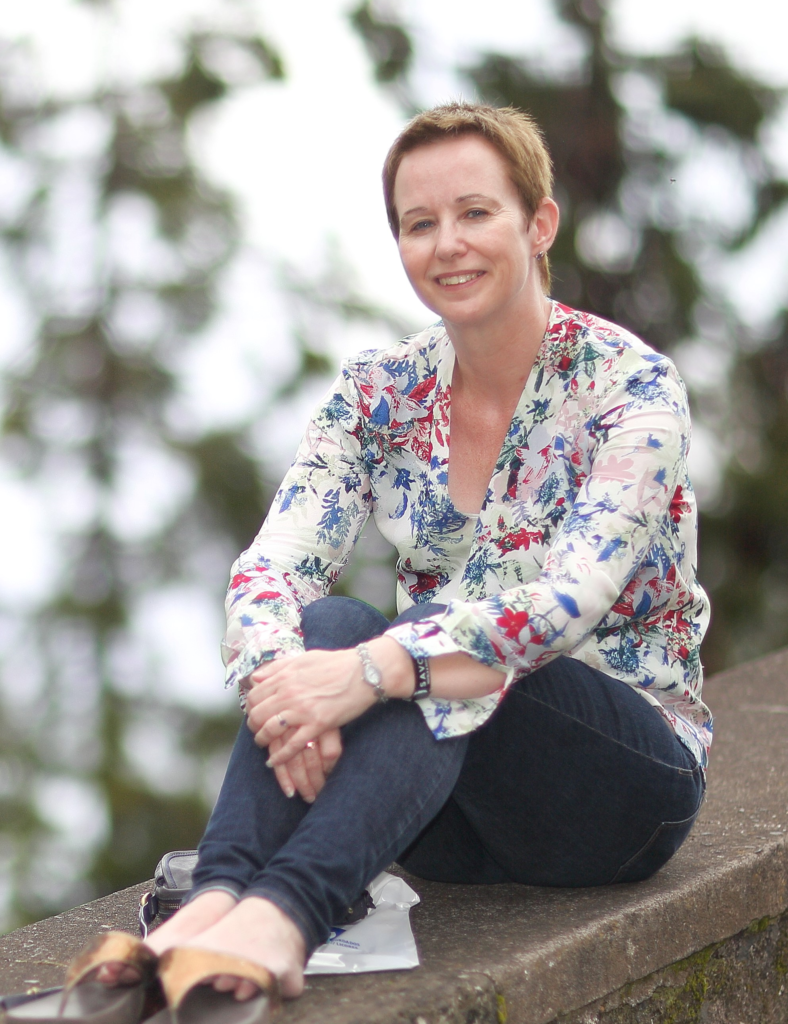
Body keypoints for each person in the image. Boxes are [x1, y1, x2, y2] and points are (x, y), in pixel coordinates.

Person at [43, 102, 713, 1022]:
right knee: (322, 624)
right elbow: (272, 565)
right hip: (437, 813)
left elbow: (565, 601)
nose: (449, 244)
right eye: (419, 223)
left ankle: (282, 922)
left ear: (539, 223)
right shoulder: (379, 391)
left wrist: (371, 673)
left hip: (618, 789)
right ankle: (212, 902)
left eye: (476, 212)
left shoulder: (630, 387)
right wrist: (294, 687)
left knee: (419, 645)